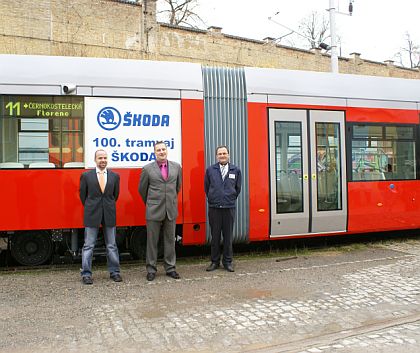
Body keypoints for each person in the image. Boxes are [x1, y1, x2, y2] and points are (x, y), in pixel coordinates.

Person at [138, 141, 182, 281]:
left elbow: (177, 187)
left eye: (163, 149)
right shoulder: (147, 169)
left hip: (170, 209)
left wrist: (170, 200)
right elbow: (142, 190)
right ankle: (151, 269)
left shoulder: (176, 167)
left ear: (167, 150)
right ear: (154, 152)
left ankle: (170, 268)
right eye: (158, 150)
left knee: (170, 240)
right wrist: (151, 203)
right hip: (153, 210)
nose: (161, 152)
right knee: (152, 241)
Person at [79, 149, 122, 285]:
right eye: (100, 158)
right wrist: (92, 206)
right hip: (92, 214)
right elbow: (83, 196)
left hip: (109, 213)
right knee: (88, 245)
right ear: (95, 160)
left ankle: (115, 272)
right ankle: (86, 274)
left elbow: (115, 195)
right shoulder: (86, 176)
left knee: (112, 245)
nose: (103, 160)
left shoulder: (115, 176)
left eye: (104, 158)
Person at [204, 145, 242, 272]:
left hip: (228, 208)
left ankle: (228, 262)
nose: (222, 155)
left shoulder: (235, 170)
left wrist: (229, 198)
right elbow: (207, 187)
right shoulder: (210, 170)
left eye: (224, 153)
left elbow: (237, 189)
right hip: (214, 208)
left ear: (228, 155)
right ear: (216, 156)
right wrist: (214, 198)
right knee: (215, 237)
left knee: (228, 236)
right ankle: (214, 262)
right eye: (220, 154)